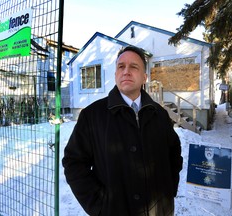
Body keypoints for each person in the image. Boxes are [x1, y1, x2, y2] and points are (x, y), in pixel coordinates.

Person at [62, 46, 183, 216]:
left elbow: (174, 154)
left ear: (144, 77)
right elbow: (73, 163)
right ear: (115, 75)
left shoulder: (160, 114)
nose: (126, 71)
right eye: (121, 66)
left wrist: (168, 192)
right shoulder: (92, 116)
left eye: (134, 67)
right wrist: (99, 205)